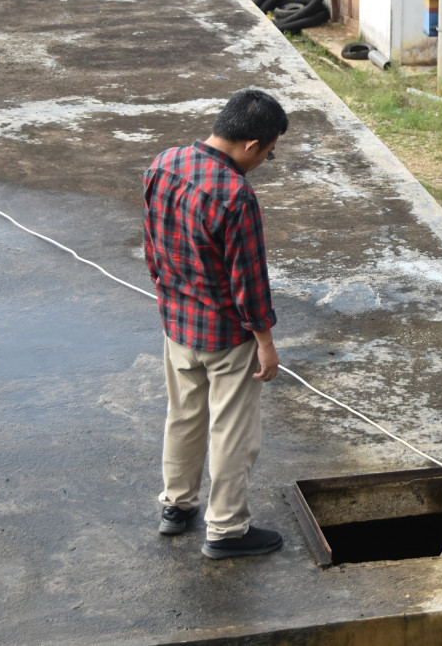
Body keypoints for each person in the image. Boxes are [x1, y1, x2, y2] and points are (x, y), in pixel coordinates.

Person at [142, 87, 288, 560]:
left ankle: (176, 506)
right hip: (226, 336)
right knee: (232, 431)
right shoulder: (235, 194)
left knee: (183, 415)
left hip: (177, 322)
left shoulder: (164, 163)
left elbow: (151, 243)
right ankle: (226, 529)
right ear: (251, 145)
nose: (266, 158)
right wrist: (265, 342)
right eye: (268, 151)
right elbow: (249, 280)